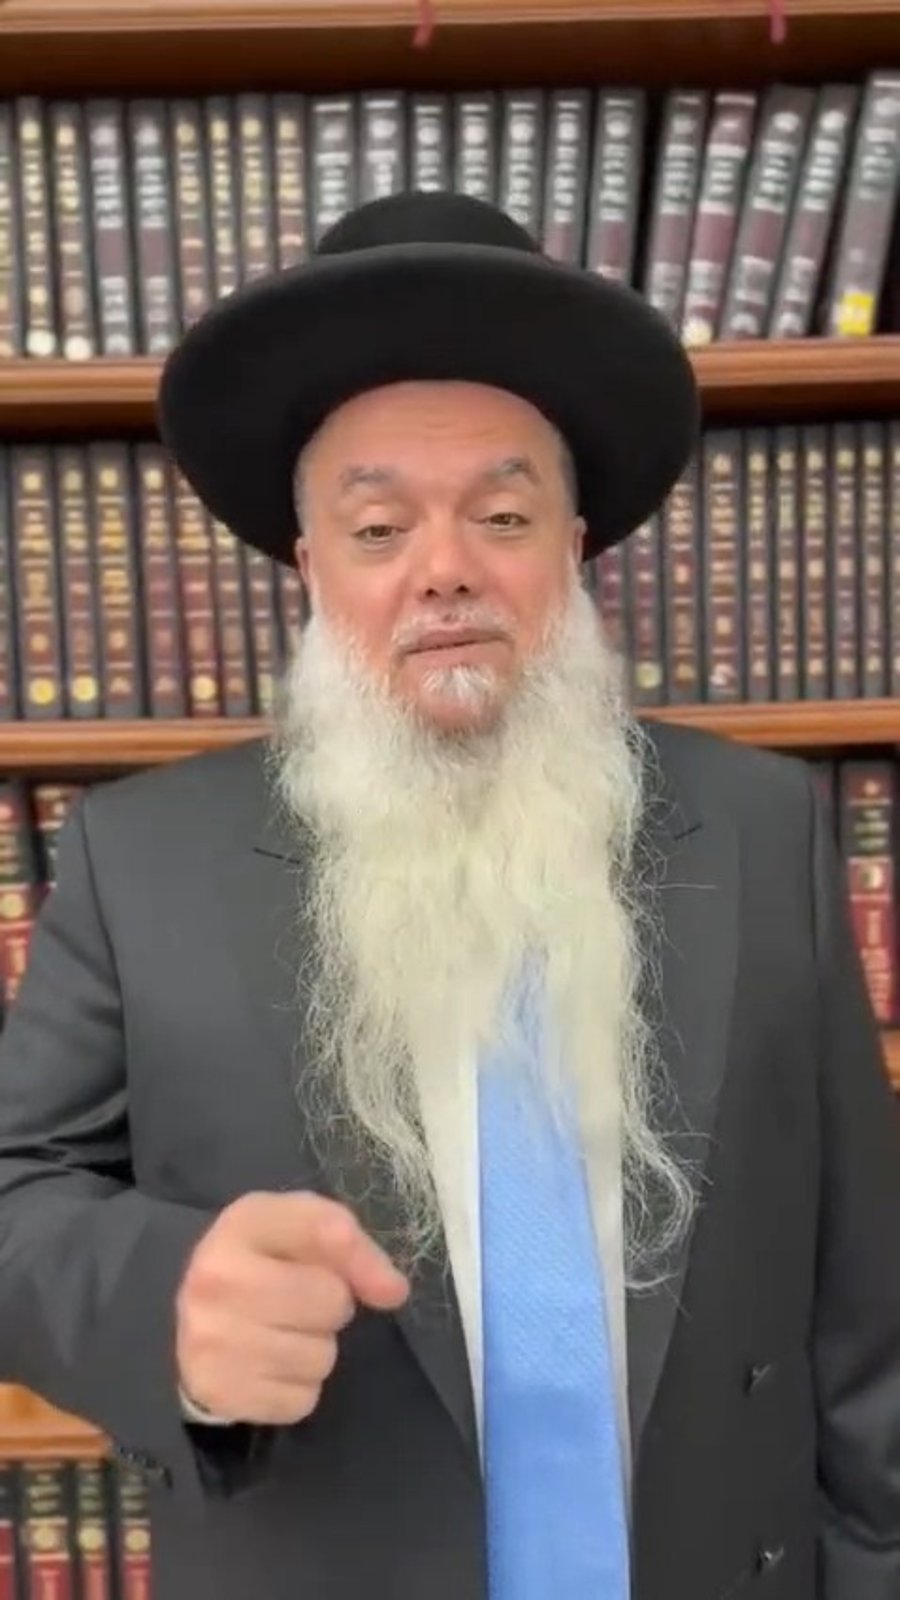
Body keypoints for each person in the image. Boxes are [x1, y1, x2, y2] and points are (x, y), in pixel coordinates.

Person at [0, 191, 897, 1600]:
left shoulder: (763, 826)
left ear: (573, 548)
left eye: (502, 513)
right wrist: (158, 1297)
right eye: (377, 528)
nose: (445, 572)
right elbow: (16, 1194)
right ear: (309, 570)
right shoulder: (138, 859)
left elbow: (865, 1307)